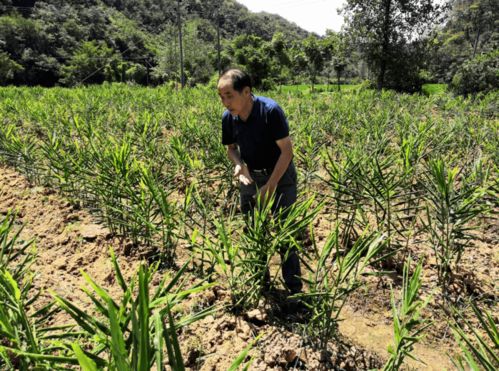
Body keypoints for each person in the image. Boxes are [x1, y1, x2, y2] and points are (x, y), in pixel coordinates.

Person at [217, 68, 302, 294]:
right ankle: (261, 284)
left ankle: (294, 290)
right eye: (221, 97)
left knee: (286, 232)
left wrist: (271, 185)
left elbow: (287, 152)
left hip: (281, 176)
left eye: (229, 96)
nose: (225, 102)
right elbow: (231, 149)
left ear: (246, 92)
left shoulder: (270, 111)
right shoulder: (229, 118)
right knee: (255, 231)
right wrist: (238, 163)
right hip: (250, 177)